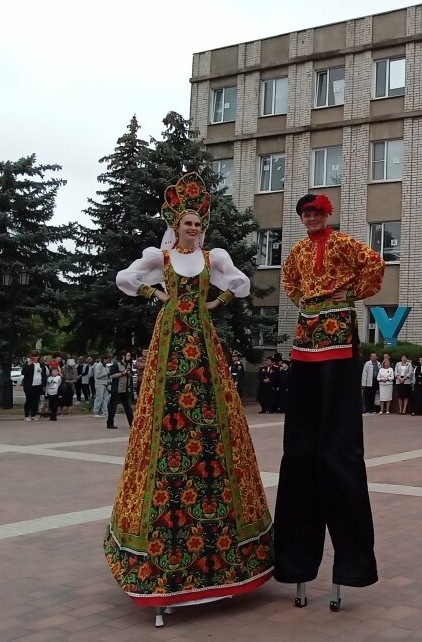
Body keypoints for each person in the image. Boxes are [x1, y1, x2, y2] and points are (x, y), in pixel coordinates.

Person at [106, 173, 273, 612]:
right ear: (175, 225)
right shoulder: (158, 257)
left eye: (199, 224)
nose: (194, 229)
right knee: (162, 415)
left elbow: (240, 283)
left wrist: (216, 304)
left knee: (215, 411)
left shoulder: (213, 257)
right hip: (168, 342)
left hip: (201, 338)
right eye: (188, 223)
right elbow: (124, 278)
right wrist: (153, 293)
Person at [273, 192, 384, 595]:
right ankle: (296, 557)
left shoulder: (343, 243)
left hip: (337, 326)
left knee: (337, 437)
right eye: (305, 214)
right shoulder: (299, 251)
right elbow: (288, 279)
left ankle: (349, 562)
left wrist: (353, 293)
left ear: (326, 215)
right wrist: (300, 296)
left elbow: (375, 262)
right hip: (307, 330)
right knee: (302, 437)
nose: (310, 219)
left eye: (316, 213)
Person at [106, 351, 134, 429]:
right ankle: (110, 423)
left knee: (128, 407)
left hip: (126, 390)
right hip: (117, 389)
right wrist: (122, 373)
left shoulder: (128, 364)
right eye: (128, 355)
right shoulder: (116, 365)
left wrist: (129, 373)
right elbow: (111, 375)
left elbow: (130, 375)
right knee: (113, 407)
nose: (130, 357)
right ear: (123, 356)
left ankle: (132, 424)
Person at [21, 350, 48, 422]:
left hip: (38, 385)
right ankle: (27, 415)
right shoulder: (28, 364)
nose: (34, 358)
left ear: (38, 357)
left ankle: (33, 415)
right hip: (29, 385)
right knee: (29, 400)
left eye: (35, 356)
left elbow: (44, 375)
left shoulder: (41, 365)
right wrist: (28, 365)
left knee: (36, 401)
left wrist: (43, 385)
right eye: (32, 356)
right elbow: (23, 372)